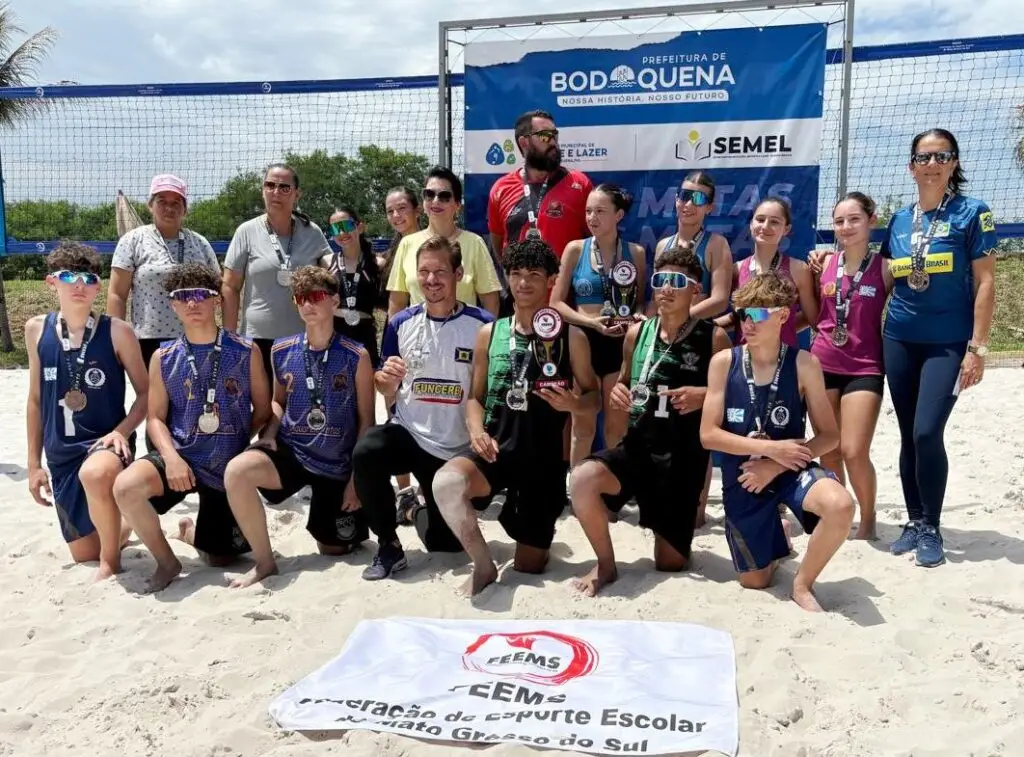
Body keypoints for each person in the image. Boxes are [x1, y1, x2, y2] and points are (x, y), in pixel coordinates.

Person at [433, 237, 600, 597]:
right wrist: (476, 429)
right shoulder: (489, 333)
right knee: (445, 484)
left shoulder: (571, 336)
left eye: (534, 275)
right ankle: (482, 564)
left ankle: (519, 518)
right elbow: (474, 399)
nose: (523, 283)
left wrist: (573, 403)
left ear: (552, 280)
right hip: (494, 450)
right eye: (516, 274)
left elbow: (594, 399)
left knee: (529, 565)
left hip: (543, 461)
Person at [570, 244, 732, 597]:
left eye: (677, 281)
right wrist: (618, 393)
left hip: (682, 457)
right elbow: (625, 382)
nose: (667, 289)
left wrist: (703, 395)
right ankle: (606, 564)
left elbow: (734, 398)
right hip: (639, 448)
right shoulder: (636, 333)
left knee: (669, 563)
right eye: (660, 280)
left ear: (696, 290)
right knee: (582, 479)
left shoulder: (713, 337)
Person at [700, 272, 854, 612]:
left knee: (841, 506)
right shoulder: (725, 362)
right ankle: (778, 534)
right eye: (742, 314)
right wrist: (771, 450)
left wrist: (776, 463)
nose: (747, 323)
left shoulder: (804, 363)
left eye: (757, 314)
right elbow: (708, 434)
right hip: (745, 476)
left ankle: (801, 584)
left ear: (783, 315)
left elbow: (830, 435)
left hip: (787, 468)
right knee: (755, 581)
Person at [878, 128, 997, 567]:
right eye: (922, 157)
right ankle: (912, 521)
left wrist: (977, 348)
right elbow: (886, 277)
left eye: (940, 156)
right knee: (909, 433)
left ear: (953, 163)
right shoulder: (900, 220)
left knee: (928, 431)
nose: (931, 164)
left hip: (947, 342)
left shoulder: (972, 213)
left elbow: (986, 283)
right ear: (911, 166)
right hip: (900, 338)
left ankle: (931, 525)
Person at [113, 263, 272, 592]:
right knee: (125, 487)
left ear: (217, 300)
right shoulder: (163, 356)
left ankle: (190, 532)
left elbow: (263, 407)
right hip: (182, 459)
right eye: (182, 296)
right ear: (172, 304)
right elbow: (155, 417)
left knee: (222, 558)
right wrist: (171, 458)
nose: (192, 303)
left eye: (202, 294)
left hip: (225, 466)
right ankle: (167, 562)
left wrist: (240, 443)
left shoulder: (245, 350)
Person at [221, 266, 375, 588]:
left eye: (316, 296)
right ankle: (265, 563)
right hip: (293, 451)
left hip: (335, 463)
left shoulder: (356, 355)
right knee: (238, 470)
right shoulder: (281, 349)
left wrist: (354, 480)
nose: (308, 304)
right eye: (301, 298)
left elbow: (366, 422)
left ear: (334, 301)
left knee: (334, 548)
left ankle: (337, 520)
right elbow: (278, 403)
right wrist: (269, 436)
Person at [353, 235, 494, 580]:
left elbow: (488, 391)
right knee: (367, 451)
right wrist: (384, 379)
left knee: (444, 546)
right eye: (424, 272)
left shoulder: (483, 324)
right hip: (412, 435)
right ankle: (388, 545)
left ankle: (416, 510)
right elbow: (385, 384)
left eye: (440, 271)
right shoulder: (401, 323)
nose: (431, 280)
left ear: (458, 273)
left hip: (457, 448)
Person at [25, 243, 149, 581]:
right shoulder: (36, 329)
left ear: (98, 285)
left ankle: (111, 563)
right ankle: (125, 523)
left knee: (95, 475)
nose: (79, 285)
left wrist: (121, 432)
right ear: (52, 282)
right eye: (69, 277)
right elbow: (35, 400)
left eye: (88, 278)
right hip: (61, 452)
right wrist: (34, 464)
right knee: (83, 554)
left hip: (105, 443)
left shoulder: (118, 331)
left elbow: (146, 394)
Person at [808, 193, 891, 540]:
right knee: (829, 449)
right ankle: (839, 514)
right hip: (823, 362)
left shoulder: (886, 267)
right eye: (839, 221)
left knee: (854, 450)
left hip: (865, 367)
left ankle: (868, 518)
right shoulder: (822, 263)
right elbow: (815, 315)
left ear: (871, 221)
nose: (846, 227)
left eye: (854, 219)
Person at [550, 184, 646, 461]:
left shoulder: (636, 252)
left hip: (620, 345)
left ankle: (613, 488)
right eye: (588, 211)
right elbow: (556, 304)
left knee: (617, 425)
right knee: (583, 423)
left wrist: (638, 314)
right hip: (583, 343)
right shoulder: (575, 250)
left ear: (618, 215)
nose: (592, 218)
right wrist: (592, 323)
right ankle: (579, 488)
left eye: (600, 211)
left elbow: (639, 301)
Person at [222, 163, 332, 382]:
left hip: (303, 338)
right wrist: (229, 337)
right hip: (256, 339)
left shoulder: (312, 231)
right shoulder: (247, 231)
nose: (276, 192)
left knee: (299, 407)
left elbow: (332, 269)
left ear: (297, 194)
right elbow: (230, 286)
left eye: (284, 187)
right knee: (261, 411)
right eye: (270, 185)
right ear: (262, 191)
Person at [107, 174, 220, 374]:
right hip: (148, 339)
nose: (169, 208)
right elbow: (117, 294)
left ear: (185, 208)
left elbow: (218, 290)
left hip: (196, 336)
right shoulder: (133, 240)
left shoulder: (200, 243)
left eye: (176, 202)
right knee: (151, 402)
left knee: (195, 401)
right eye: (162, 201)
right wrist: (114, 339)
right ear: (150, 205)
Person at [386, 166, 502, 318]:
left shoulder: (475, 243)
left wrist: (486, 339)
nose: (435, 201)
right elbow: (397, 303)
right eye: (429, 194)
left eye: (444, 196)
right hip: (417, 338)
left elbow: (491, 302)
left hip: (466, 339)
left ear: (457, 205)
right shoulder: (407, 244)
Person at [487, 109, 593, 263]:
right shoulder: (500, 189)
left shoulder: (579, 183)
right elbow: (497, 244)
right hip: (520, 286)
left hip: (566, 286)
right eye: (545, 136)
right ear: (524, 143)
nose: (553, 142)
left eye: (555, 135)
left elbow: (594, 239)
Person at [717, 197, 818, 348]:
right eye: (760, 219)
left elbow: (814, 320)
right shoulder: (736, 269)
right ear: (751, 225)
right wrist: (708, 326)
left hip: (784, 361)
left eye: (774, 222)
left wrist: (782, 325)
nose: (765, 226)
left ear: (786, 229)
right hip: (745, 360)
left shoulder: (798, 269)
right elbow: (739, 316)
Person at [381, 186, 423, 523]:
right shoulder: (398, 246)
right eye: (390, 210)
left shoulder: (428, 242)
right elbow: (395, 304)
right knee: (395, 409)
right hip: (404, 338)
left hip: (434, 340)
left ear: (417, 209)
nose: (396, 215)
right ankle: (405, 490)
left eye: (402, 208)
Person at [654, 171, 733, 320]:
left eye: (698, 198)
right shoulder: (662, 245)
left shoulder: (717, 244)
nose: (689, 204)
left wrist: (679, 319)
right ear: (677, 199)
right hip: (665, 330)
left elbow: (720, 301)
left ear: (709, 207)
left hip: (696, 331)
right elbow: (656, 296)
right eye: (685, 196)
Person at [322, 206, 382, 367]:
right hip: (334, 332)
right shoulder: (326, 262)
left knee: (366, 388)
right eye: (336, 228)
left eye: (347, 226)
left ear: (360, 227)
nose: (342, 233)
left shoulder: (378, 264)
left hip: (364, 333)